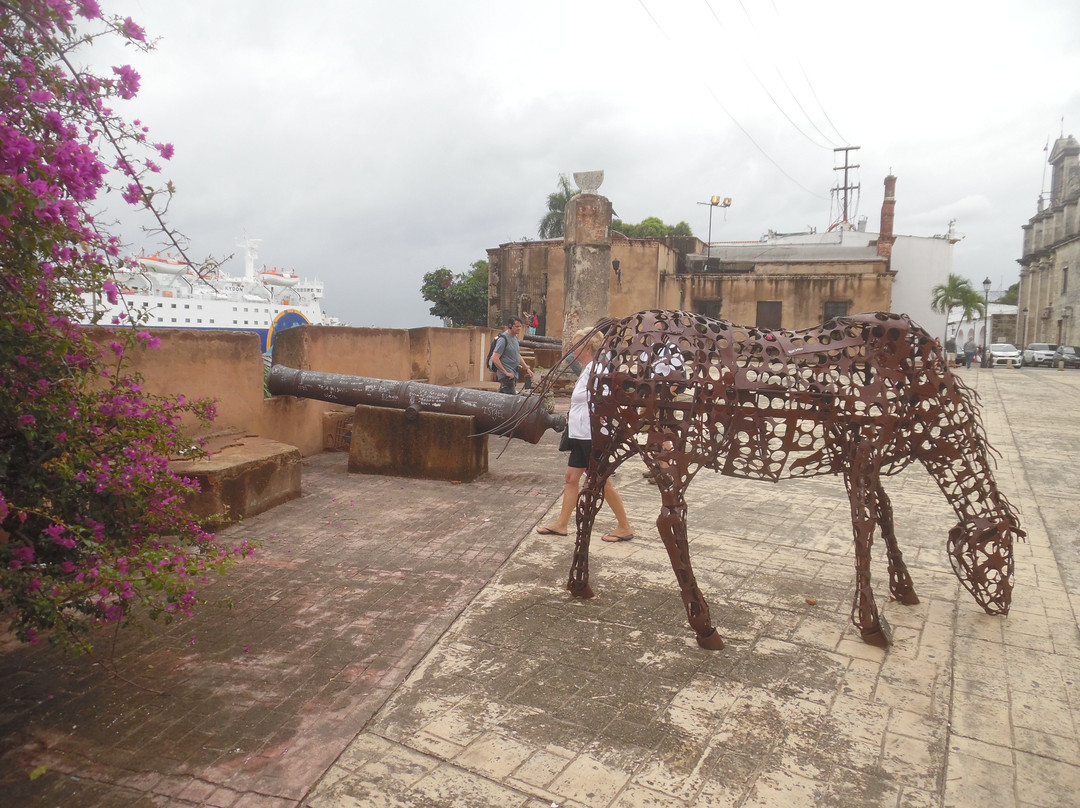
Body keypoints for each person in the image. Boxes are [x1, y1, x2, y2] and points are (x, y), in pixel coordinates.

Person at [537, 328, 634, 542]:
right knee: (571, 478)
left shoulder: (597, 369)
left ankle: (625, 526)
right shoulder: (587, 369)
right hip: (580, 434)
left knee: (601, 481)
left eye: (577, 345)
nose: (573, 349)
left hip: (593, 436)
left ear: (587, 348)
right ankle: (562, 524)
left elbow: (607, 398)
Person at [491, 316, 533, 395]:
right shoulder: (503, 340)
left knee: (504, 398)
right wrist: (506, 372)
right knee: (512, 400)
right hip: (507, 377)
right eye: (516, 326)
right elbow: (495, 358)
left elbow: (517, 355)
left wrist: (526, 368)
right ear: (510, 326)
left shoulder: (515, 338)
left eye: (520, 326)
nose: (519, 328)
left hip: (513, 374)